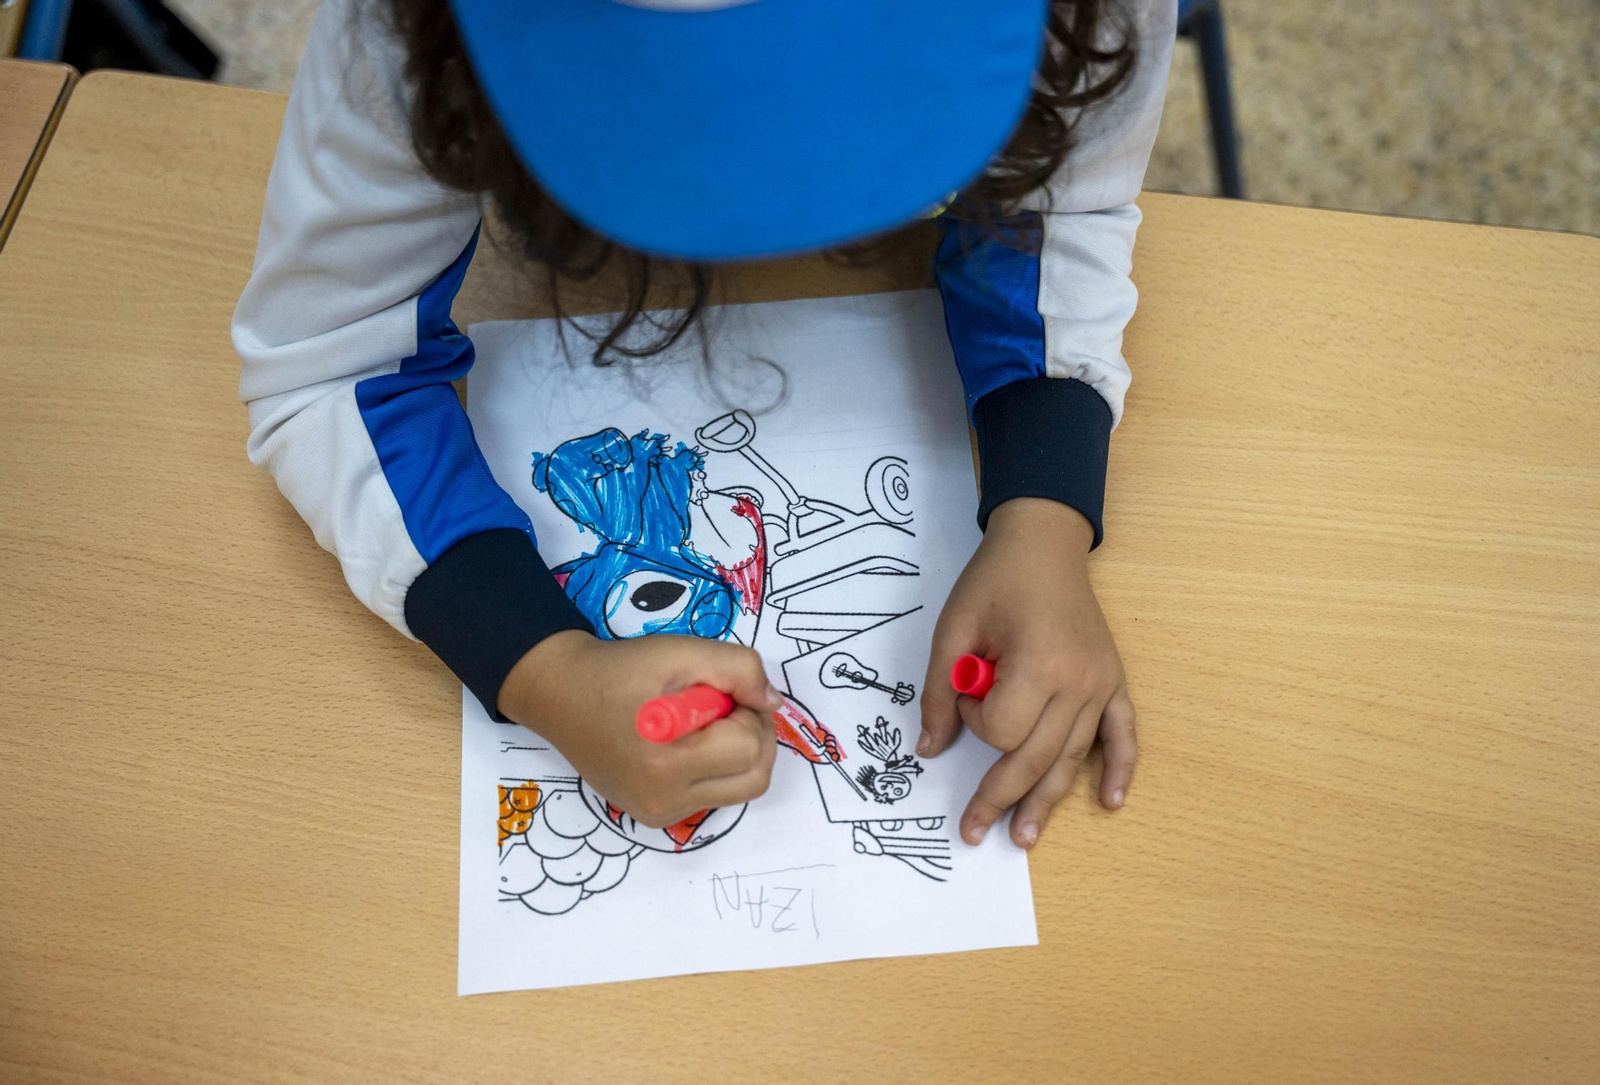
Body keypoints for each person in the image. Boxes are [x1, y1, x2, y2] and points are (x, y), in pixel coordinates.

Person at [233, 0, 1175, 852]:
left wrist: (1043, 513)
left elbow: (1065, 205)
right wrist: (541, 664)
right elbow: (332, 360)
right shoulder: (404, 24)